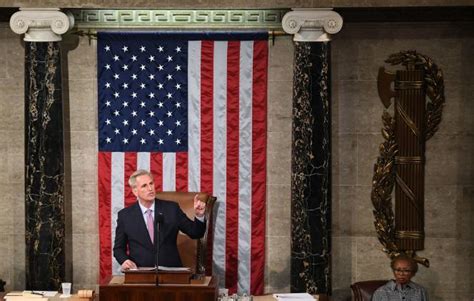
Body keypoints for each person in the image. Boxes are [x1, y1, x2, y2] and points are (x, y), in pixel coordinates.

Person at [113, 169, 207, 270]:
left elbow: (196, 233)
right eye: (144, 186)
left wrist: (199, 215)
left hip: (171, 273)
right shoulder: (125, 216)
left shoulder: (171, 209)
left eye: (151, 183)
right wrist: (124, 260)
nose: (150, 188)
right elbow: (118, 249)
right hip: (140, 273)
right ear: (135, 191)